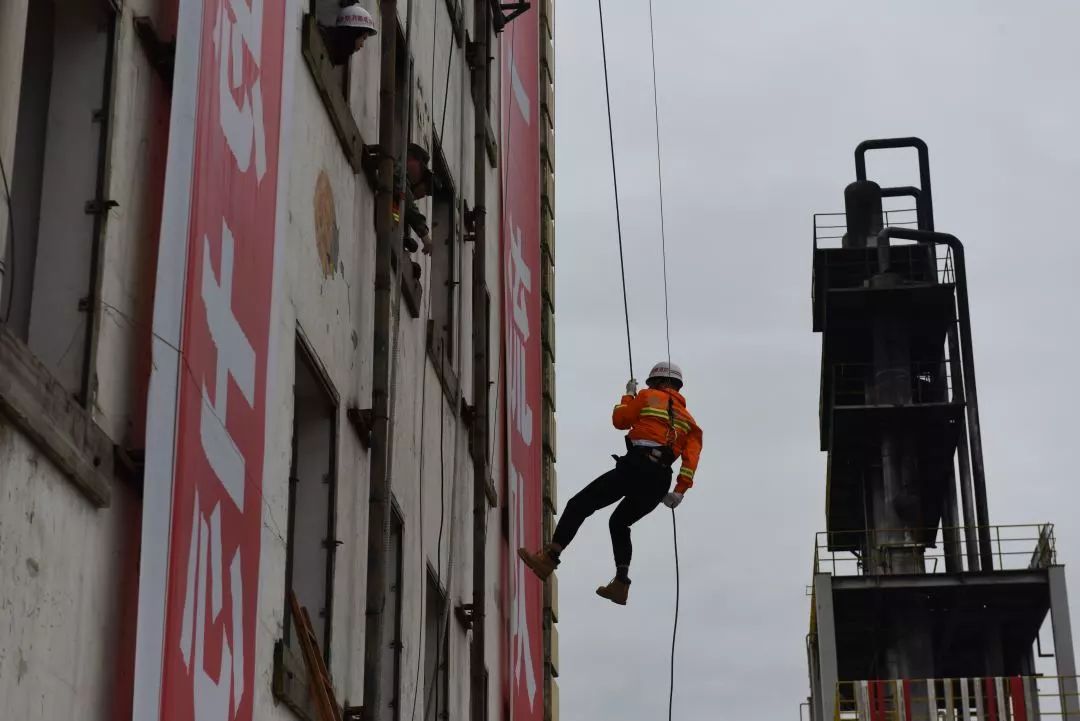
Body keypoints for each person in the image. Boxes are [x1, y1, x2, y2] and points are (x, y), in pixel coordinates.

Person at [518, 361, 703, 606]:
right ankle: (620, 584)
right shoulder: (690, 422)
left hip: (637, 466)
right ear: (677, 386)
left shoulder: (648, 396)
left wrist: (627, 395)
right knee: (619, 523)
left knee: (580, 504)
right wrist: (678, 492)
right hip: (660, 480)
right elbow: (691, 459)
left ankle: (549, 559)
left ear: (656, 382)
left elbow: (620, 420)